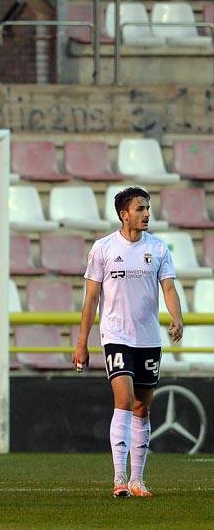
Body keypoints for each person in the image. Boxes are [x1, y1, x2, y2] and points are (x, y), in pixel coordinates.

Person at [72, 187, 183, 498]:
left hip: (148, 339)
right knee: (123, 399)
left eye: (147, 208)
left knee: (141, 407)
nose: (146, 213)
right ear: (124, 214)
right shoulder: (104, 249)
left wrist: (177, 318)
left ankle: (137, 479)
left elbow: (169, 290)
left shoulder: (159, 249)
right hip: (116, 336)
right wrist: (82, 344)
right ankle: (119, 477)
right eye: (140, 209)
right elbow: (91, 298)